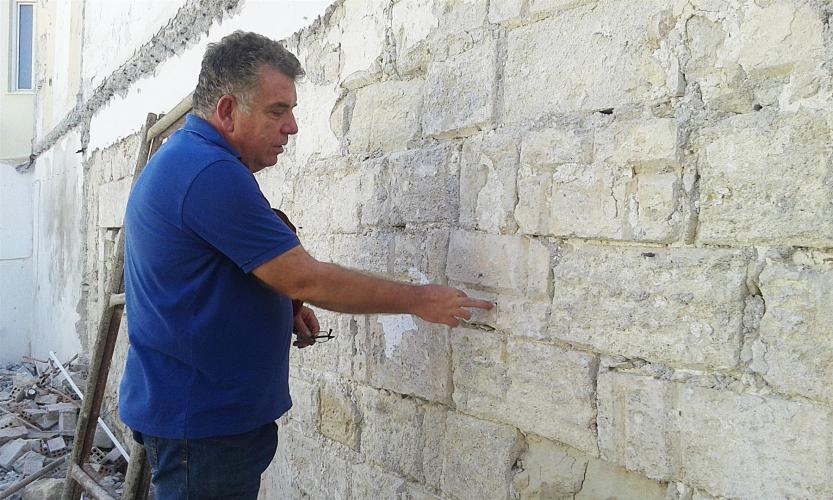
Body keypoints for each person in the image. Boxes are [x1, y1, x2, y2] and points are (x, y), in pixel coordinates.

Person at [119, 31, 492, 499]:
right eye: (277, 111)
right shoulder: (208, 172)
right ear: (228, 111)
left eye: (291, 111)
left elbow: (211, 275)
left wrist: (283, 310)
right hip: (204, 426)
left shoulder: (191, 160)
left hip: (199, 417)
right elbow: (305, 277)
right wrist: (419, 300)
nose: (292, 127)